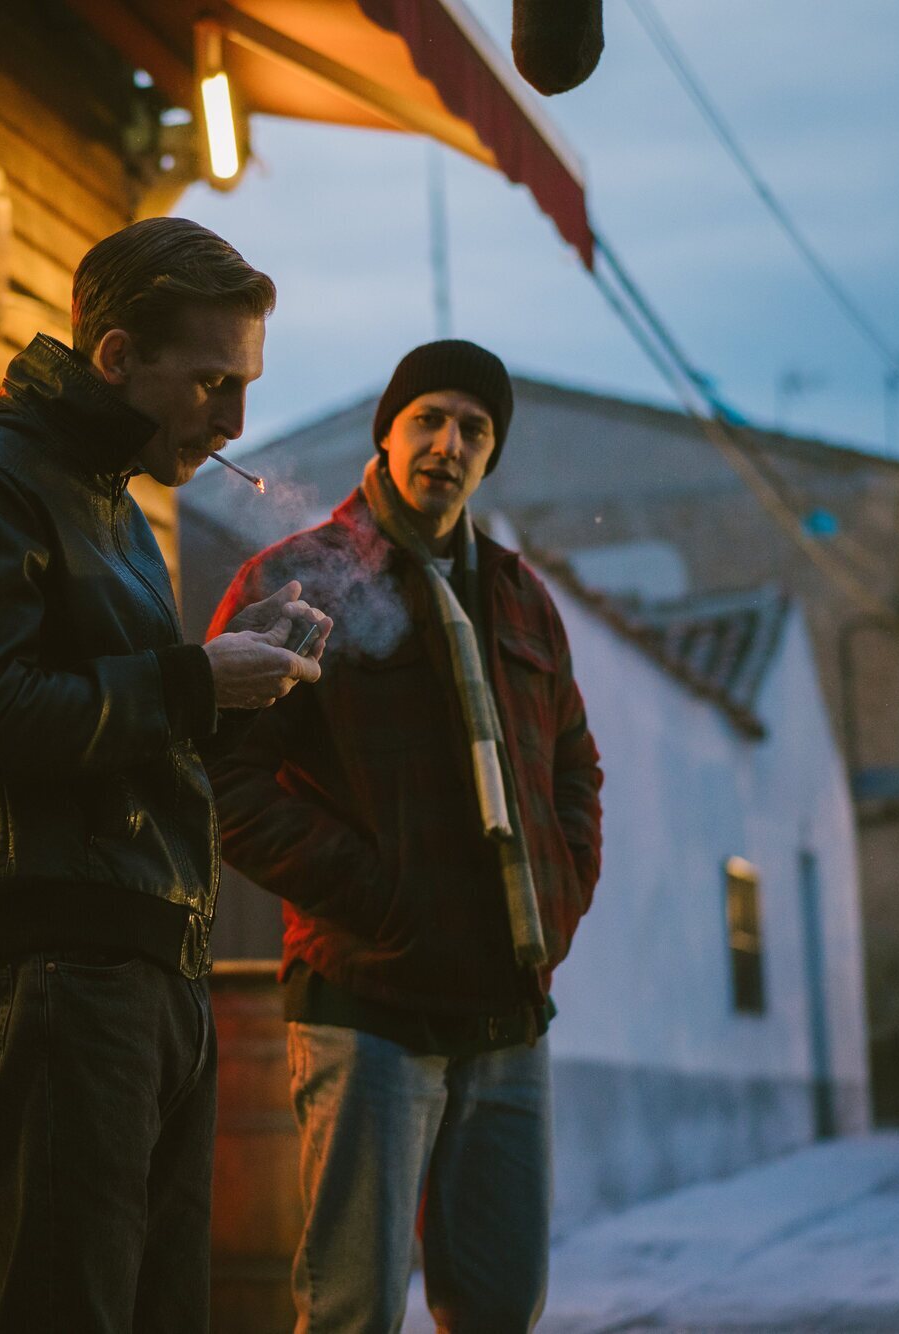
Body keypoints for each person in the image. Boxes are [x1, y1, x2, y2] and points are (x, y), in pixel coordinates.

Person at [0, 217, 332, 1334]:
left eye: (246, 385)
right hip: (58, 967)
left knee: (160, 1307)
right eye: (212, 382)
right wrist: (187, 683)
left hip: (149, 963)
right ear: (118, 357)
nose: (233, 421)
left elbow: (125, 723)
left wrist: (233, 679)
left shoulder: (122, 510)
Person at [206, 339, 604, 1333]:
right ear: (386, 431)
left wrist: (555, 899)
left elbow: (573, 770)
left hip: (506, 1010)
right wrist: (377, 891)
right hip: (367, 998)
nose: (448, 442)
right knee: (353, 1306)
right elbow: (220, 773)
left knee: (500, 1303)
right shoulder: (302, 579)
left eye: (474, 428)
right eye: (427, 416)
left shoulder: (520, 596)